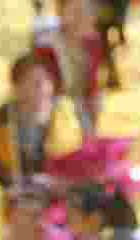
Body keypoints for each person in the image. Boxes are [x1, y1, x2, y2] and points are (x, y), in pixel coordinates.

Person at [0, 54, 71, 225]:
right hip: (21, 206)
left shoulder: (64, 113)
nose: (42, 88)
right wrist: (17, 186)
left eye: (45, 81)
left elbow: (77, 160)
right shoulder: (4, 118)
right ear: (17, 88)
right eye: (34, 82)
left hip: (63, 203)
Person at [33, 0, 104, 138]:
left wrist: (93, 99)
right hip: (53, 102)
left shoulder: (93, 41)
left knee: (94, 103)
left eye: (87, 12)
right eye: (77, 12)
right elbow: (43, 86)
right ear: (61, 13)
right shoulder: (46, 44)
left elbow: (92, 82)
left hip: (80, 101)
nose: (83, 17)